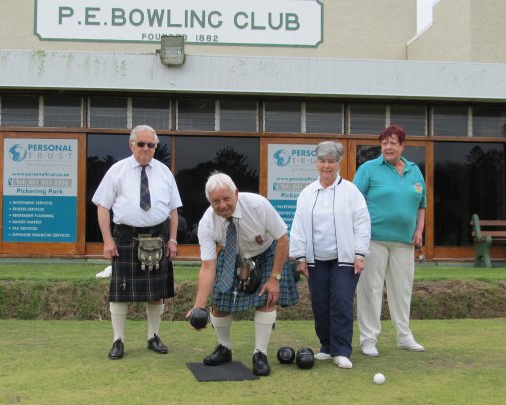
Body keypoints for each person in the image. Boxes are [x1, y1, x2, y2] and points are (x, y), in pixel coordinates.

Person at [187, 172, 299, 376]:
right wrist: (198, 306)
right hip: (232, 255)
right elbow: (208, 266)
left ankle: (260, 354)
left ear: (236, 193)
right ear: (209, 202)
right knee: (219, 303)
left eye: (226, 198)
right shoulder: (207, 223)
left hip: (266, 253)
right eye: (216, 201)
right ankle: (224, 348)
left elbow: (283, 240)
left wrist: (275, 278)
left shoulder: (258, 205)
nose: (222, 205)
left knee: (267, 301)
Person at [92, 124, 182, 360]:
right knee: (119, 292)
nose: (145, 148)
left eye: (150, 145)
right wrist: (107, 241)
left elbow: (173, 210)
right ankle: (118, 340)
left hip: (158, 236)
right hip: (125, 237)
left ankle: (153, 336)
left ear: (155, 146)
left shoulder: (164, 172)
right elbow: (102, 207)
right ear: (131, 144)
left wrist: (172, 240)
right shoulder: (117, 170)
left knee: (156, 292)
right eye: (140, 144)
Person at [290, 141, 371, 369]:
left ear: (338, 163)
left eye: (331, 161)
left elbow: (362, 223)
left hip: (344, 258)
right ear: (316, 163)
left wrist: (360, 253)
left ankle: (342, 350)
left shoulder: (351, 192)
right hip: (316, 260)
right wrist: (300, 257)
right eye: (322, 161)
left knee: (341, 302)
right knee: (320, 303)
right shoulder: (307, 193)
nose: (327, 166)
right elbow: (298, 226)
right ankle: (326, 346)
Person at [353, 125, 426, 356]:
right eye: (384, 143)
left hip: (404, 241)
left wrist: (419, 229)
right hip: (374, 240)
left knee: (402, 290)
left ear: (402, 146)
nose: (388, 147)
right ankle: (368, 339)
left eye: (393, 143)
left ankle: (404, 336)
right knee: (370, 289)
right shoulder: (369, 168)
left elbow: (421, 203)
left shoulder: (414, 170)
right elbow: (354, 202)